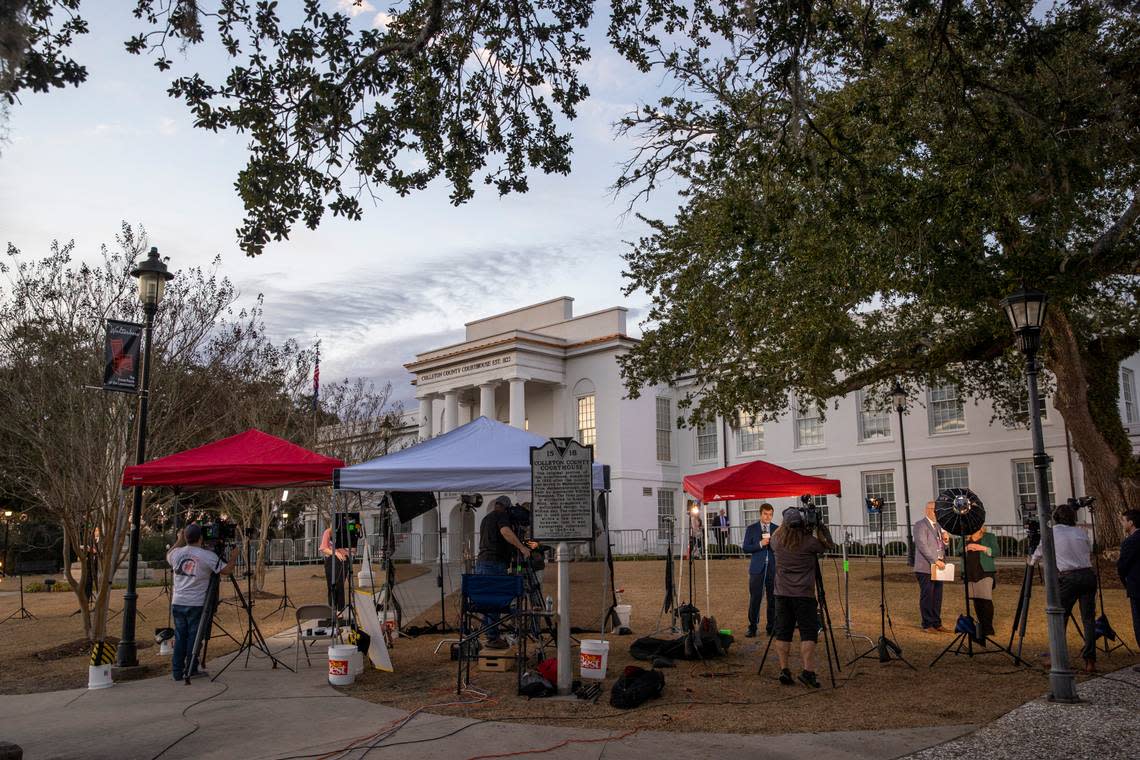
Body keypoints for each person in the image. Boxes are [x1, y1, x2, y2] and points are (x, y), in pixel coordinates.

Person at [166, 524, 238, 683]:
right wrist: (234, 556)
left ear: (186, 537)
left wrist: (179, 540)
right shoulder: (207, 556)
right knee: (193, 636)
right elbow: (227, 570)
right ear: (201, 538)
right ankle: (191, 668)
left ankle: (177, 671)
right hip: (196, 604)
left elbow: (169, 553)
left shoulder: (176, 554)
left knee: (180, 636)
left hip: (178, 602)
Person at [1031, 502, 1097, 672]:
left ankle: (1057, 657)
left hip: (1068, 577)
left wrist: (1031, 562)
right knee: (1088, 619)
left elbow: (1039, 552)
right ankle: (1090, 659)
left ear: (1055, 517)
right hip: (1088, 575)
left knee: (1059, 617)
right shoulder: (1081, 532)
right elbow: (1087, 550)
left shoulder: (1052, 533)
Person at [770, 507, 829, 688]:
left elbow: (777, 536)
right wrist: (819, 527)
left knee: (783, 632)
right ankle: (808, 671)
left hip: (782, 594)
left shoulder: (776, 540)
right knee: (808, 633)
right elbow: (827, 545)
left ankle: (784, 669)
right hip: (804, 594)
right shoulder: (809, 542)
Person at [476, 495, 533, 649]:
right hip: (494, 564)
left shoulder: (486, 518)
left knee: (487, 601)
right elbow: (505, 531)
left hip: (481, 563)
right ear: (507, 508)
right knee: (495, 600)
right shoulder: (501, 515)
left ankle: (490, 635)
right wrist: (522, 547)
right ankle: (493, 638)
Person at [913, 500, 951, 633]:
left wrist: (946, 540)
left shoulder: (939, 526)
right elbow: (922, 546)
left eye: (936, 509)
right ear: (926, 510)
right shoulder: (920, 525)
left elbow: (942, 546)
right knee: (928, 596)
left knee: (937, 596)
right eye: (931, 509)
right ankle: (927, 624)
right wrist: (935, 560)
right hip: (925, 567)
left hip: (939, 566)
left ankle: (936, 623)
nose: (934, 511)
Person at [741, 503, 778, 637]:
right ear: (760, 514)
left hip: (773, 569)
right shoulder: (751, 529)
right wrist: (760, 544)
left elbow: (781, 548)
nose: (768, 517)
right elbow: (745, 547)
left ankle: (771, 626)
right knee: (755, 598)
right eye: (765, 514)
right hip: (757, 569)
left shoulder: (777, 529)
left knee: (772, 598)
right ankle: (752, 626)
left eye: (770, 514)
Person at [958, 525, 998, 644]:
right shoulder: (965, 538)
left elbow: (995, 552)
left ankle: (988, 628)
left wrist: (982, 548)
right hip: (970, 571)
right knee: (976, 599)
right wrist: (967, 547)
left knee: (985, 599)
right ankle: (981, 626)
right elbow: (957, 551)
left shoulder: (989, 537)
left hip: (985, 571)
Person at [1117, 509, 1140, 673]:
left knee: (1139, 623)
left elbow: (1122, 566)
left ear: (1131, 523)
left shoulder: (1130, 542)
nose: (1123, 524)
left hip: (1137, 586)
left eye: (1124, 521)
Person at [320, 524, 354, 613]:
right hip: (330, 560)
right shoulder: (328, 532)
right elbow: (324, 548)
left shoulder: (347, 532)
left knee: (340, 585)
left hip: (343, 560)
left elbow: (353, 550)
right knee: (331, 586)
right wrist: (335, 553)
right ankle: (332, 610)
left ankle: (340, 610)